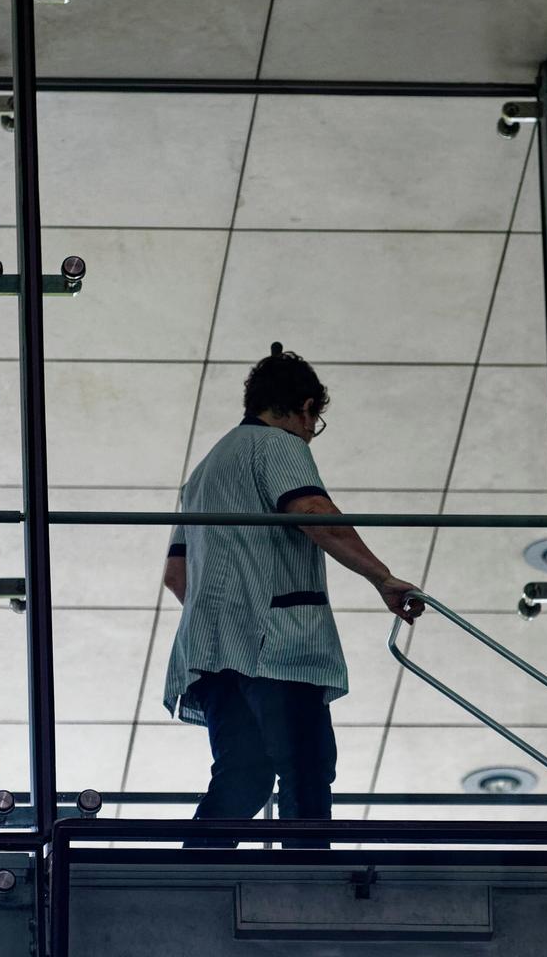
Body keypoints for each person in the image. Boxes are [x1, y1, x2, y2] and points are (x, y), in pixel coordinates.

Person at [161, 343, 420, 847]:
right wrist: (382, 578)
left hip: (212, 652)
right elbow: (314, 514)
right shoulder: (277, 446)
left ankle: (190, 873)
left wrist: (227, 609)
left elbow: (177, 575)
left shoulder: (204, 472)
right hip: (277, 645)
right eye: (313, 421)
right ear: (305, 409)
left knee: (245, 774)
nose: (310, 433)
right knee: (306, 766)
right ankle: (308, 881)